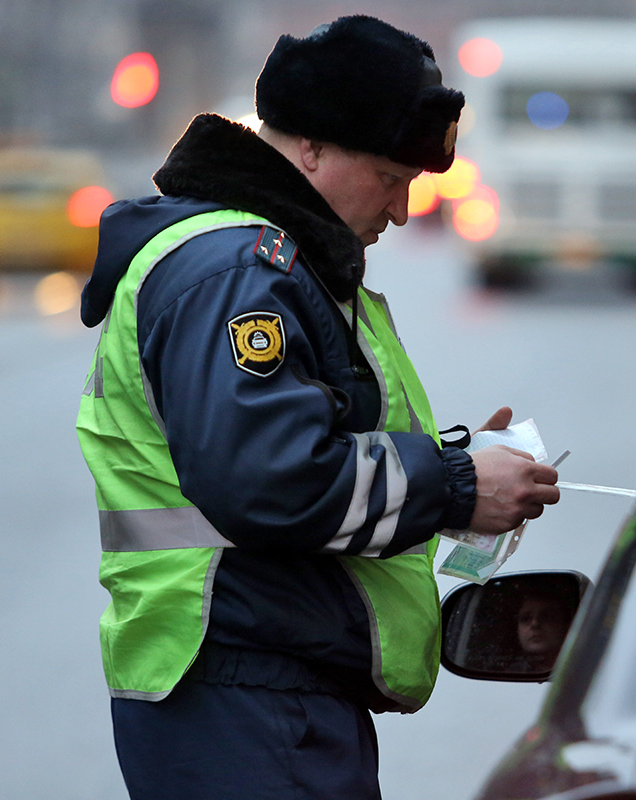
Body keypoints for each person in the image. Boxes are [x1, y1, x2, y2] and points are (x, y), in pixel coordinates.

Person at [74, 16, 560, 799]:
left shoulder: (271, 264)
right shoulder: (237, 272)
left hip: (262, 688)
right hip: (242, 692)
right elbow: (271, 479)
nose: (401, 210)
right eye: (390, 180)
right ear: (312, 149)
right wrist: (458, 484)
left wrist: (457, 470)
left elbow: (302, 444)